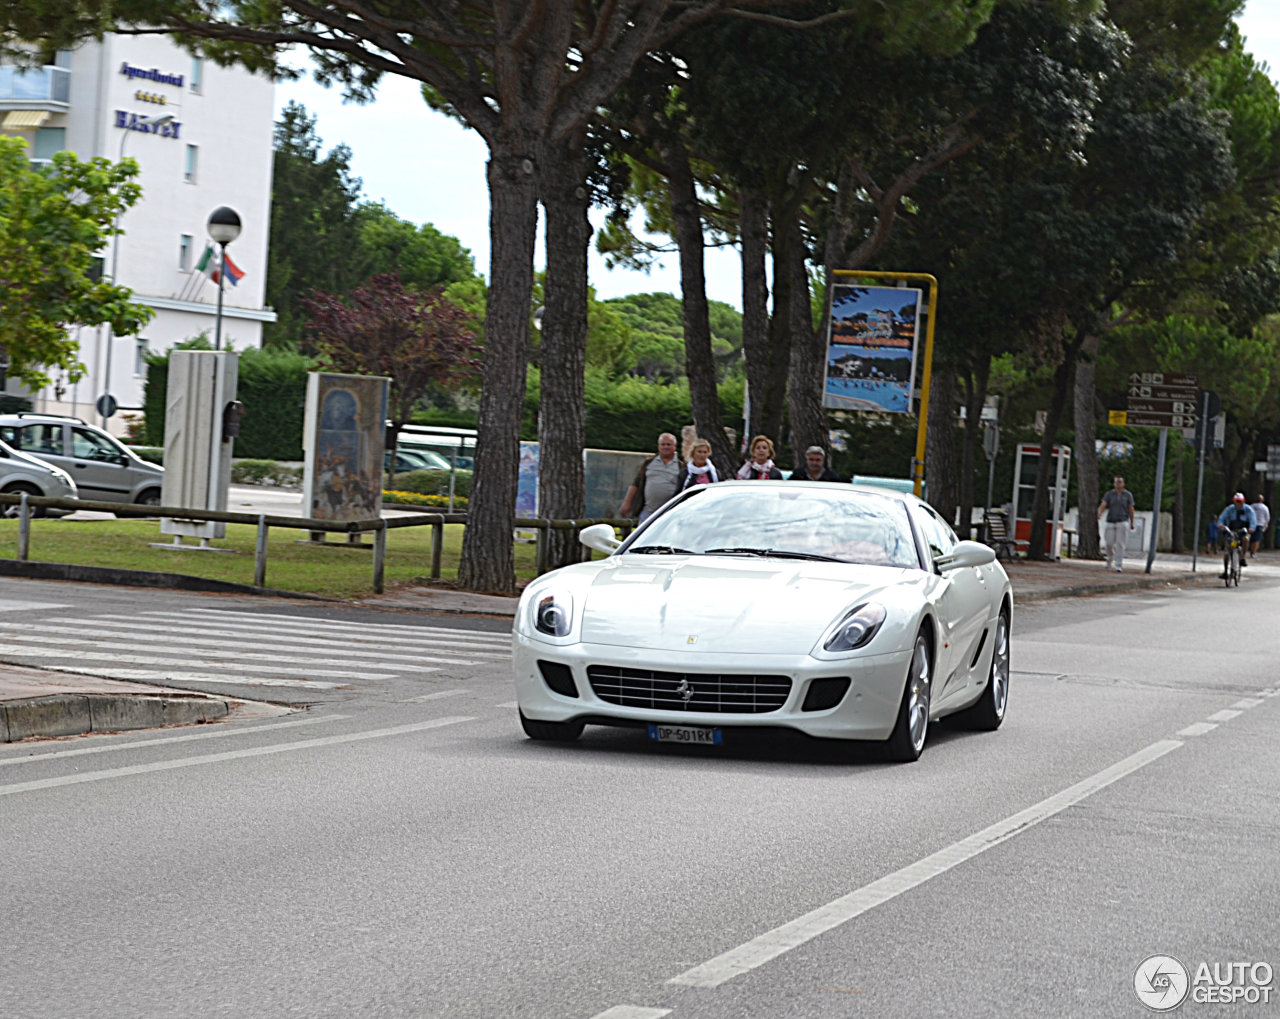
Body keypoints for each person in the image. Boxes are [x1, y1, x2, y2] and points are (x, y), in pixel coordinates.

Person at [620, 432, 684, 523]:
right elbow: (636, 484)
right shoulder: (649, 463)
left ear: (675, 446)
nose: (666, 447)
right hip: (648, 512)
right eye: (663, 444)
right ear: (658, 446)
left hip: (670, 513)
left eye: (669, 444)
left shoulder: (681, 465)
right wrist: (627, 503)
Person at [1096, 475, 1135, 573]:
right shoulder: (1109, 494)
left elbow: (1131, 508)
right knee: (1109, 543)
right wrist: (1100, 512)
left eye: (1120, 482)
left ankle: (1118, 564)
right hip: (1111, 521)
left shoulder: (1128, 495)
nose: (1118, 484)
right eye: (1116, 482)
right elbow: (1103, 504)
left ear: (1123, 483)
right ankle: (1109, 558)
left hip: (1122, 521)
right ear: (1114, 484)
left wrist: (1132, 521)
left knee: (1120, 544)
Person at [1217, 493, 1257, 578]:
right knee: (1227, 549)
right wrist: (1220, 524)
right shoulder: (1230, 509)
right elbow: (1222, 517)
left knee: (1245, 539)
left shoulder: (1248, 510)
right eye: (1236, 501)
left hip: (1243, 530)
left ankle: (1242, 557)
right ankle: (1225, 571)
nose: (1238, 504)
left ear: (1243, 501)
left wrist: (1252, 528)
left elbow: (1253, 520)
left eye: (1240, 502)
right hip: (1232, 530)